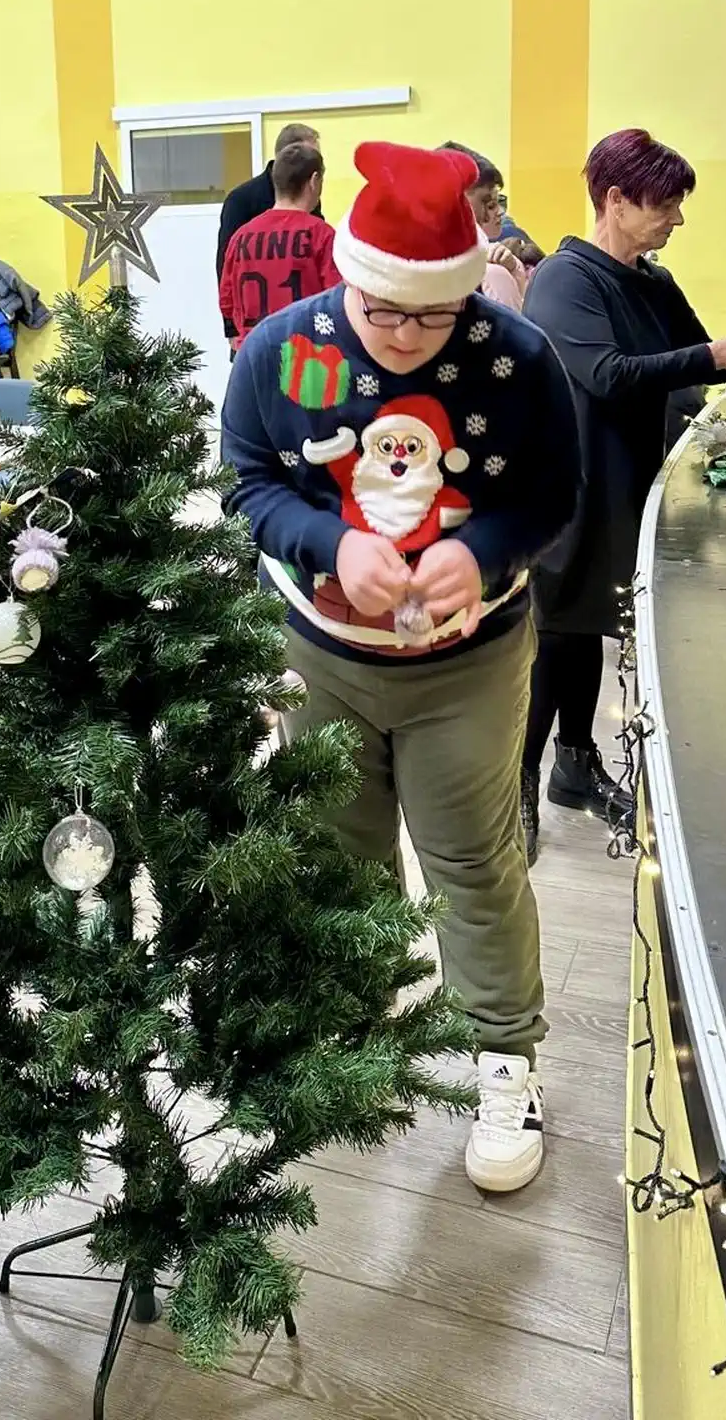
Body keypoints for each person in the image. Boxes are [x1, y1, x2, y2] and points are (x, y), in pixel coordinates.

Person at [223, 141, 581, 1194]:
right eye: (383, 311)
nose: (406, 335)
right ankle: (363, 1013)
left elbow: (552, 493)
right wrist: (332, 545)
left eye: (432, 315)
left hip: (467, 662)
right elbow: (247, 479)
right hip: (321, 652)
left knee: (473, 858)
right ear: (350, 275)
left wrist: (479, 550)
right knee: (343, 847)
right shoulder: (287, 351)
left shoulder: (514, 356)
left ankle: (506, 1057)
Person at [521, 129, 726, 863]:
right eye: (666, 204)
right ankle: (518, 781)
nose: (676, 218)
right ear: (616, 199)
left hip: (631, 483)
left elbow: (695, 363)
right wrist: (714, 354)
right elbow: (607, 373)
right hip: (577, 486)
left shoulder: (653, 280)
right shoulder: (565, 279)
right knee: (558, 634)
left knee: (592, 624)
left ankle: (575, 766)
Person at [217, 140, 338, 349]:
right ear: (314, 180)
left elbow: (227, 302)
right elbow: (339, 302)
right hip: (307, 360)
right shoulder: (322, 235)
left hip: (252, 354)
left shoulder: (240, 238)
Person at [440, 142, 527, 313]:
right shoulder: (492, 276)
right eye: (488, 203)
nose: (498, 212)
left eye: (496, 202)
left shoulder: (498, 266)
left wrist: (514, 271)